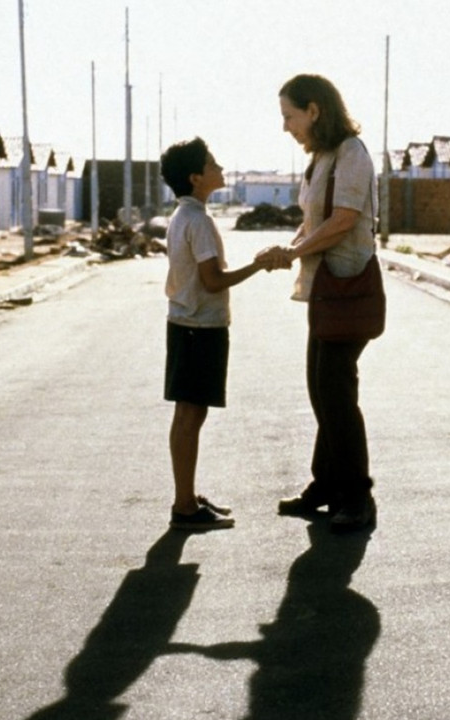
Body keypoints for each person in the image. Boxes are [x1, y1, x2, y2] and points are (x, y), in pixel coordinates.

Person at [267, 74, 379, 533]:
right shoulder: (321, 159)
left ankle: (357, 497)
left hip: (347, 288)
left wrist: (295, 251)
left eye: (289, 116)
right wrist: (288, 247)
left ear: (314, 110)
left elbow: (343, 220)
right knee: (323, 391)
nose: (286, 127)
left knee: (335, 394)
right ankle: (326, 485)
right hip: (323, 290)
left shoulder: (352, 154)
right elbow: (314, 222)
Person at [161, 137, 279, 531]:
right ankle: (185, 506)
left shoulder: (185, 215)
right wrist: (259, 265)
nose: (220, 167)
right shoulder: (198, 221)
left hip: (186, 325)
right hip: (199, 327)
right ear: (196, 177)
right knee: (191, 415)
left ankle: (187, 497)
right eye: (212, 163)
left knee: (188, 413)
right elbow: (212, 281)